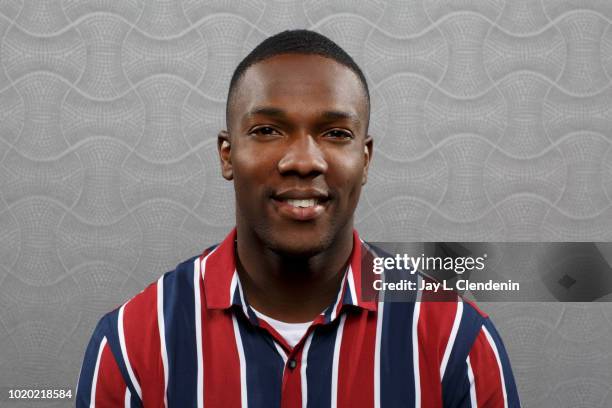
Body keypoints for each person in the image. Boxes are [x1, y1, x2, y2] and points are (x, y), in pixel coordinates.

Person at [76, 29, 520, 407]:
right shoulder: (132, 343)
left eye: (335, 133)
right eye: (267, 130)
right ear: (227, 155)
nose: (304, 161)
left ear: (365, 160)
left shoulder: (455, 340)